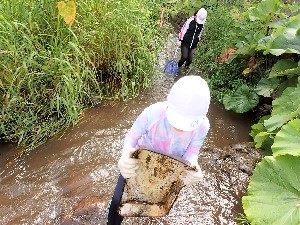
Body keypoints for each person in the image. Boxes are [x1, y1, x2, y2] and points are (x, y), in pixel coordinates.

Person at [118, 75, 210, 185]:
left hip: (170, 168)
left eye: (186, 125)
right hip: (141, 160)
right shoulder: (152, 113)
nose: (180, 128)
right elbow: (132, 137)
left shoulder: (202, 126)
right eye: (177, 121)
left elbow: (192, 152)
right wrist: (125, 155)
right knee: (123, 195)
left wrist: (192, 168)